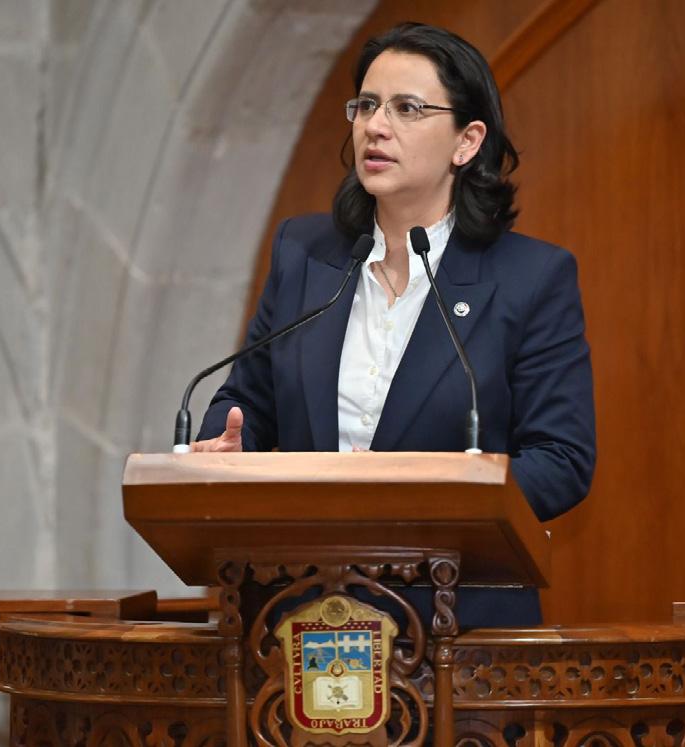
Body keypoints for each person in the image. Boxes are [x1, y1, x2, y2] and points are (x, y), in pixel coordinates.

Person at [195, 23, 596, 627]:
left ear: (467, 142)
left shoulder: (531, 278)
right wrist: (231, 445)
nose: (375, 127)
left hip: (457, 623)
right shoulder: (304, 254)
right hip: (299, 615)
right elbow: (246, 400)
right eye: (366, 105)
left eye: (407, 108)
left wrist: (420, 502)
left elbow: (561, 459)